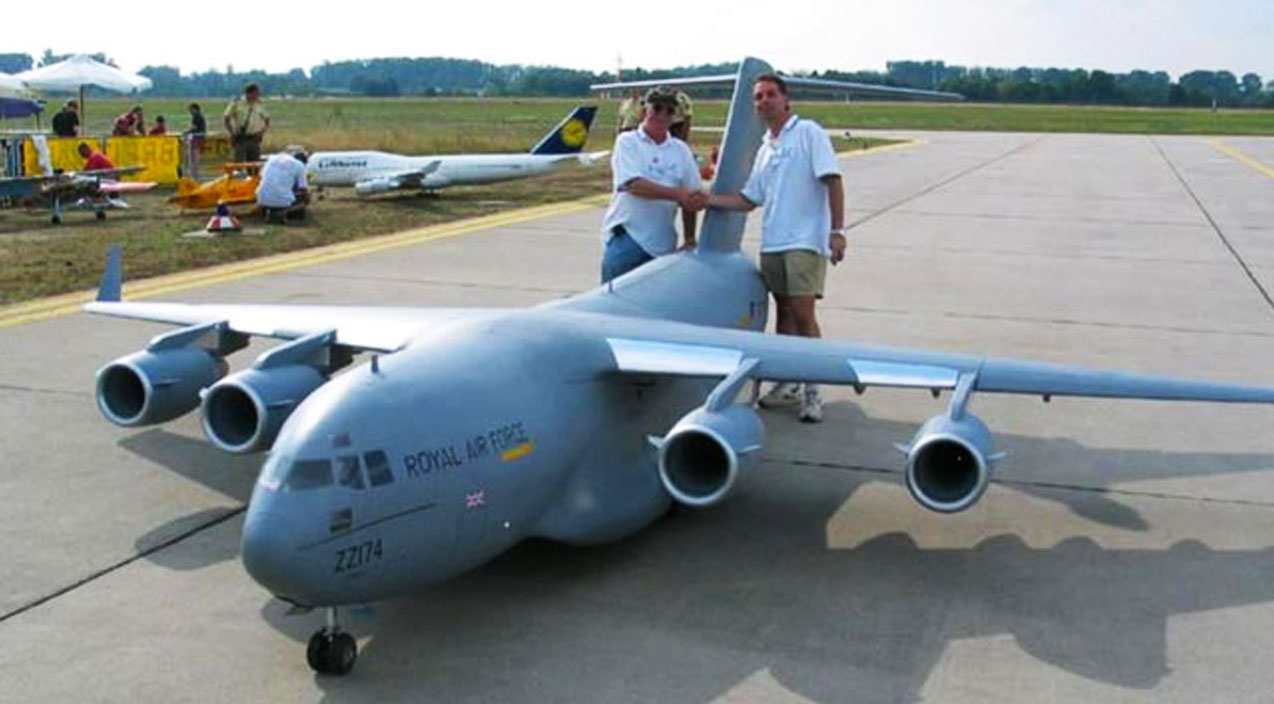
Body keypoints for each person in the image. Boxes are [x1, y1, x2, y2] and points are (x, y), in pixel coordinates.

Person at [707, 73, 846, 423]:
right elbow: (748, 199)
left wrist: (837, 230)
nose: (764, 101)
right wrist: (708, 200)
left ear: (786, 100)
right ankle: (787, 380)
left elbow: (832, 180)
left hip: (804, 241)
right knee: (783, 315)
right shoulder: (765, 148)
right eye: (758, 97)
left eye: (770, 95)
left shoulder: (809, 133)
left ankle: (814, 389)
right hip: (774, 242)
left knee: (803, 315)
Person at [599, 86, 706, 283]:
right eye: (657, 108)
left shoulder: (681, 150)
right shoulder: (627, 142)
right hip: (627, 240)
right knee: (615, 308)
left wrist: (690, 237)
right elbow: (633, 185)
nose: (662, 115)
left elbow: (692, 194)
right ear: (644, 111)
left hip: (663, 247)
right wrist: (678, 195)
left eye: (669, 111)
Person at [256, 146, 310, 224]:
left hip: (261, 198)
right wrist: (308, 199)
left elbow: (262, 176)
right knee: (304, 201)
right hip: (282, 201)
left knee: (270, 191)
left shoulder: (272, 159)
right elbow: (303, 189)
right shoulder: (299, 166)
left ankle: (266, 211)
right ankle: (282, 213)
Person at [223, 83, 270, 162]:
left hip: (254, 139)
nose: (257, 96)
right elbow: (226, 118)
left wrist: (262, 132)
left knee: (254, 166)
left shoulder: (259, 104)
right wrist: (232, 133)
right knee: (239, 165)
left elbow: (267, 119)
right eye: (256, 93)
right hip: (241, 138)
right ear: (249, 93)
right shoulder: (237, 103)